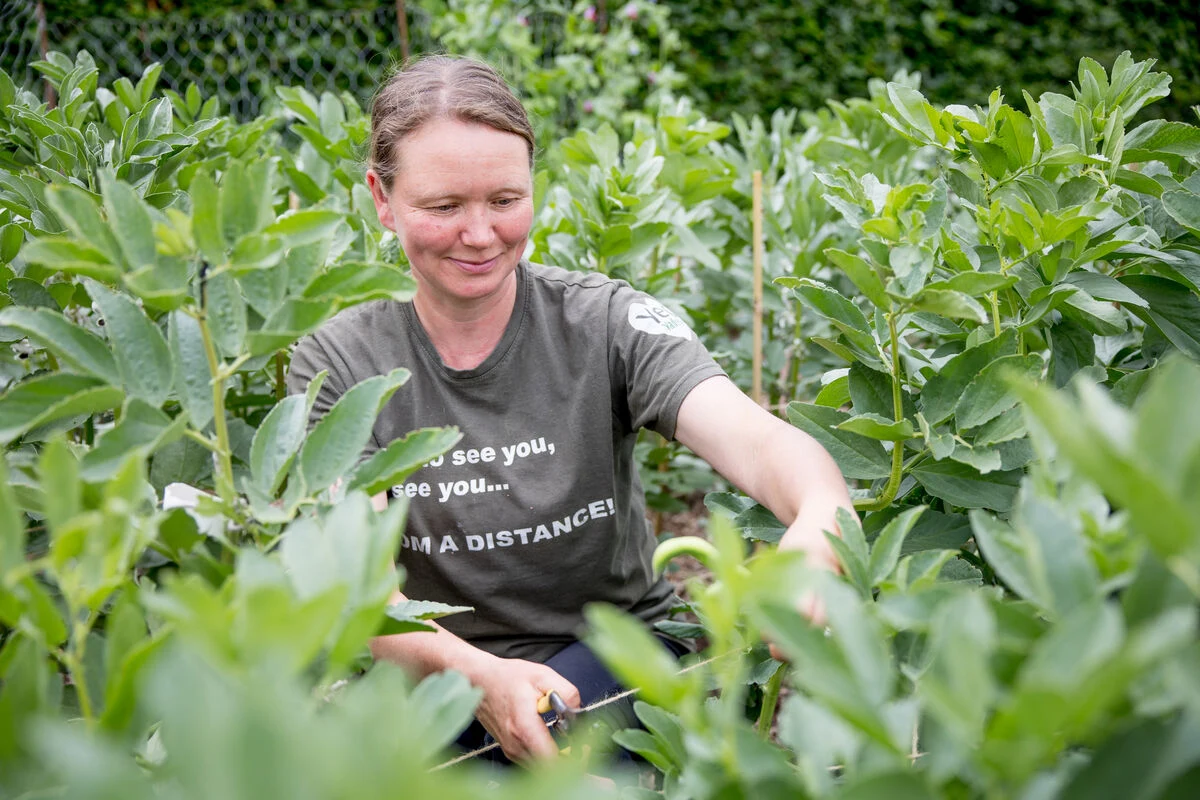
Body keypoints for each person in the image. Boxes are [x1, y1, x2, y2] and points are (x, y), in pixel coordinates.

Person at [286, 55, 854, 764]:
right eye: (443, 206)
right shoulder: (339, 364)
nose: (480, 233)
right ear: (381, 197)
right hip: (433, 676)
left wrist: (822, 514)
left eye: (504, 199)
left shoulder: (606, 322)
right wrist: (479, 674)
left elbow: (763, 444)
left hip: (612, 653)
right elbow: (360, 591)